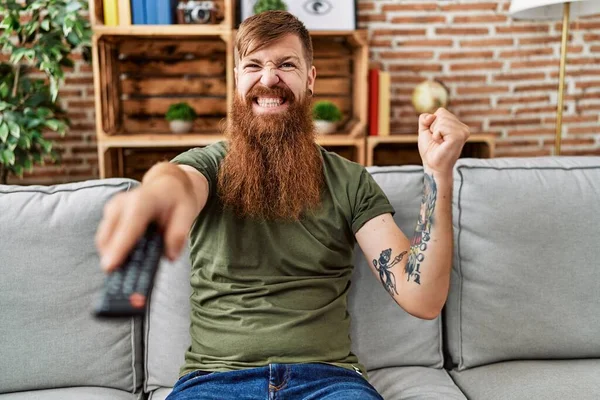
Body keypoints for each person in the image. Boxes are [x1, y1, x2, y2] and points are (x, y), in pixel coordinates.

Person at [95, 10, 470, 400]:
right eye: (254, 65)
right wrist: (153, 194)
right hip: (213, 382)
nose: (269, 78)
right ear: (237, 79)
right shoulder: (208, 165)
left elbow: (422, 297)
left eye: (286, 64)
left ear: (309, 79)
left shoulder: (351, 181)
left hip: (329, 382)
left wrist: (438, 172)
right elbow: (177, 184)